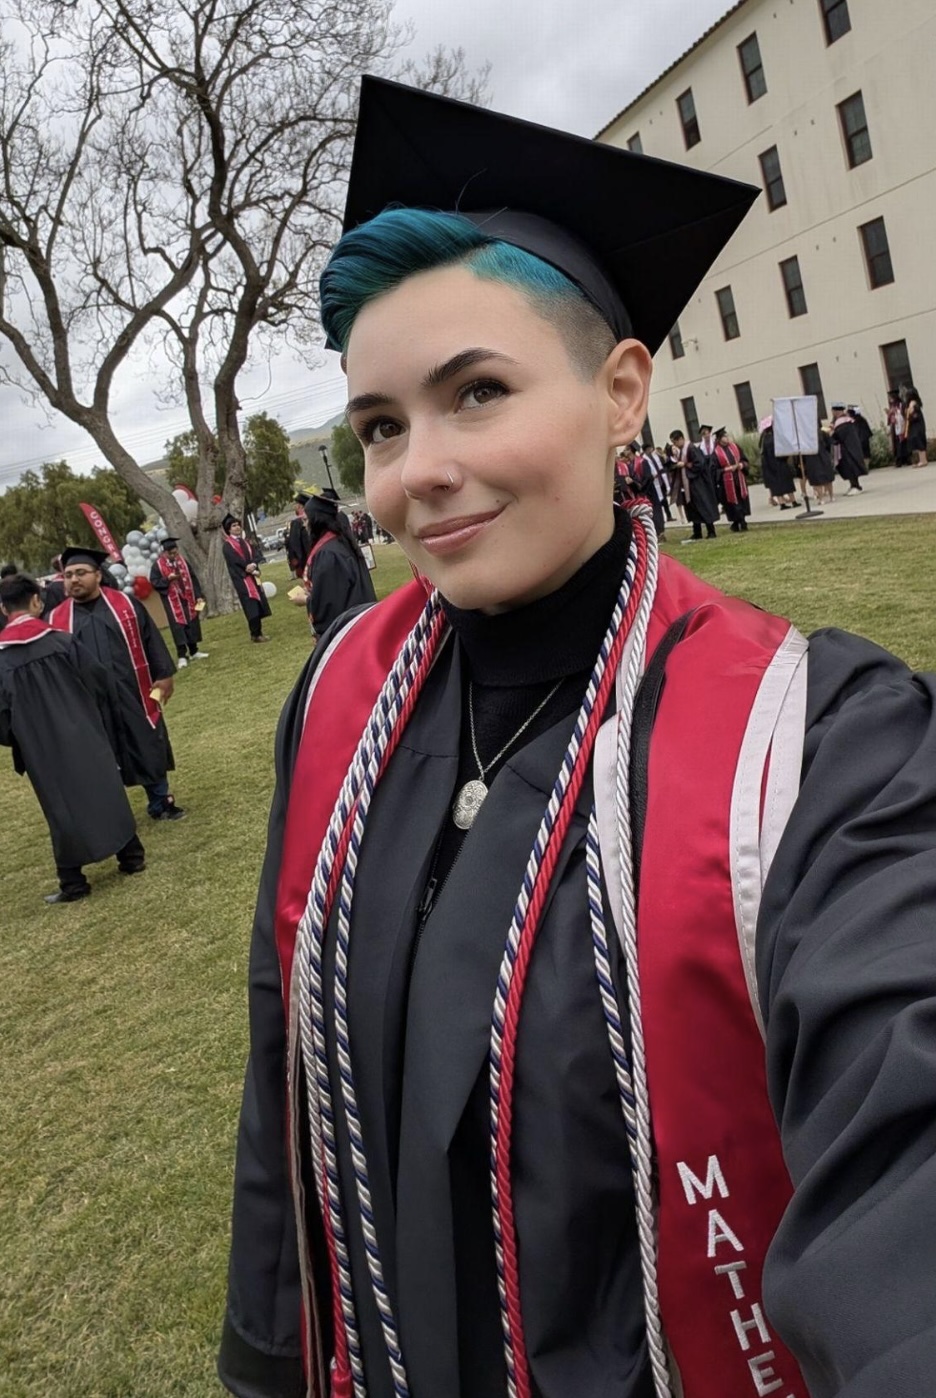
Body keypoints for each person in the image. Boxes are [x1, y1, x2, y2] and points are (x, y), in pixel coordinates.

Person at [219, 78, 936, 1398]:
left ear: (622, 393)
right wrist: (268, 1360)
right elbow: (287, 1075)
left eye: (476, 391)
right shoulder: (336, 703)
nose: (413, 469)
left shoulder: (818, 743)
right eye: (380, 424)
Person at [0, 572, 146, 901]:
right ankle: (132, 857)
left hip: (40, 748)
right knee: (105, 789)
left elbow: (2, 716)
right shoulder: (62, 641)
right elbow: (99, 682)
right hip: (85, 732)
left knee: (59, 807)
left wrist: (20, 738)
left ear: (3, 608)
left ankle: (73, 883)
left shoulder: (2, 660)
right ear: (37, 601)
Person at [49, 546, 184, 821]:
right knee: (98, 755)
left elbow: (150, 640)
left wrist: (164, 673)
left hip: (132, 690)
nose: (74, 580)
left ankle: (160, 801)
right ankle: (111, 815)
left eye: (81, 573)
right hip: (88, 701)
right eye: (68, 575)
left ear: (98, 575)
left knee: (146, 740)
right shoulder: (56, 619)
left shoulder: (125, 604)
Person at [301, 487, 377, 641]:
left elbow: (330, 602)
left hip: (347, 632)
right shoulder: (340, 542)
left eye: (306, 519)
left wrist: (306, 600)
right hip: (360, 622)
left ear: (316, 520)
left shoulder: (328, 553)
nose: (304, 525)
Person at [150, 537, 208, 668]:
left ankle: (194, 651)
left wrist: (198, 595)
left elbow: (193, 578)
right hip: (173, 601)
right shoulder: (158, 566)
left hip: (188, 598)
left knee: (192, 623)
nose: (174, 556)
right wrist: (167, 580)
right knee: (178, 627)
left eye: (175, 553)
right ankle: (182, 655)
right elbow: (155, 583)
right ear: (164, 553)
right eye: (171, 553)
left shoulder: (182, 561)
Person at [222, 514, 272, 642]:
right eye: (234, 526)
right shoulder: (228, 546)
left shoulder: (245, 542)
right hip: (242, 580)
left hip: (253, 576)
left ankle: (258, 632)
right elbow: (234, 561)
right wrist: (246, 568)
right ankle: (255, 634)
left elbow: (255, 555)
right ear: (228, 529)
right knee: (251, 606)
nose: (237, 527)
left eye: (238, 525)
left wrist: (254, 565)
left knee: (257, 604)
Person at [669, 428, 718, 542]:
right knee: (693, 508)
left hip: (697, 484)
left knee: (703, 506)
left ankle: (711, 531)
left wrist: (684, 464)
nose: (675, 445)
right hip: (689, 485)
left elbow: (699, 464)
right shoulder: (682, 450)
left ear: (681, 439)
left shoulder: (691, 448)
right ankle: (697, 532)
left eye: (675, 442)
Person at [712, 426, 750, 532]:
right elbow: (715, 471)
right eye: (724, 436)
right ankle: (739, 522)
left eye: (726, 435)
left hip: (739, 478)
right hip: (727, 483)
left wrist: (742, 465)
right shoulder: (716, 453)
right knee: (733, 503)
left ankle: (740, 521)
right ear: (719, 439)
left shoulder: (735, 446)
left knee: (741, 500)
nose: (726, 438)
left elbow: (744, 460)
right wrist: (728, 469)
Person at [758, 418, 799, 508]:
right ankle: (793, 501)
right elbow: (781, 451)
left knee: (777, 485)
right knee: (787, 483)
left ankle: (782, 504)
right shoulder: (775, 439)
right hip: (780, 463)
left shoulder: (763, 440)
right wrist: (786, 457)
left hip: (770, 466)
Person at [830, 403, 865, 492]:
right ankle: (853, 485)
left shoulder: (843, 423)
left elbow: (838, 436)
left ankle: (855, 486)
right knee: (849, 468)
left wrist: (831, 434)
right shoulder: (847, 421)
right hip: (850, 448)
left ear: (836, 411)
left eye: (833, 411)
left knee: (850, 467)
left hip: (847, 450)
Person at [802, 419, 836, 504]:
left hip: (811, 458)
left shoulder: (805, 436)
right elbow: (830, 444)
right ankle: (831, 496)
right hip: (823, 456)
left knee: (816, 480)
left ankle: (821, 499)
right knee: (827, 478)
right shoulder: (822, 433)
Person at [286, 494, 313, 578]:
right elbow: (294, 542)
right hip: (305, 557)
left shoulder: (312, 519)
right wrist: (298, 559)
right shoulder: (297, 523)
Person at [904, 386, 928, 467]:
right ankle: (921, 460)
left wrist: (909, 412)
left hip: (917, 425)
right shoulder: (916, 402)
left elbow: (912, 414)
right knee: (918, 441)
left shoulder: (913, 403)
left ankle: (923, 460)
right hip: (917, 425)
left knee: (919, 441)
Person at [887, 389, 909, 466]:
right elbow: (890, 419)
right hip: (895, 427)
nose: (890, 399)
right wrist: (890, 415)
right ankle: (899, 459)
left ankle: (906, 458)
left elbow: (905, 414)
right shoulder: (892, 407)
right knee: (897, 443)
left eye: (891, 398)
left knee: (904, 442)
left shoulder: (902, 405)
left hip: (902, 424)